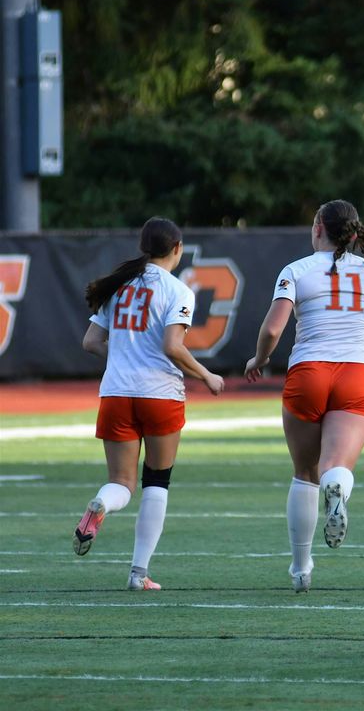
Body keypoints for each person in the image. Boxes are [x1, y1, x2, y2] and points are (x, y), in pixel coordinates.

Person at [244, 200, 364, 592]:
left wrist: (258, 359)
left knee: (304, 473)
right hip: (358, 372)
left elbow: (274, 329)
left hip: (309, 370)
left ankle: (300, 570)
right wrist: (355, 350)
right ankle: (339, 490)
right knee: (335, 466)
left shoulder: (297, 270)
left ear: (317, 229)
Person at [74, 217, 226, 590]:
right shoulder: (178, 290)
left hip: (116, 393)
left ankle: (101, 504)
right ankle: (138, 573)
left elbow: (91, 343)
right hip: (159, 394)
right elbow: (172, 347)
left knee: (121, 484)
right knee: (156, 481)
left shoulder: (120, 286)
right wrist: (207, 376)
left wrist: (125, 355)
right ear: (177, 249)